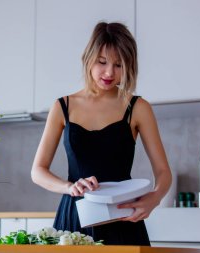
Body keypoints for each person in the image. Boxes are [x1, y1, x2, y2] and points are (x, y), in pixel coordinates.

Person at [31, 22, 172, 246]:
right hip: (74, 219)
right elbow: (37, 171)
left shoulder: (137, 107)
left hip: (122, 218)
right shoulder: (62, 107)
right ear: (88, 58)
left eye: (119, 65)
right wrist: (69, 186)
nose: (109, 72)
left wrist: (153, 200)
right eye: (102, 62)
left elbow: (164, 172)